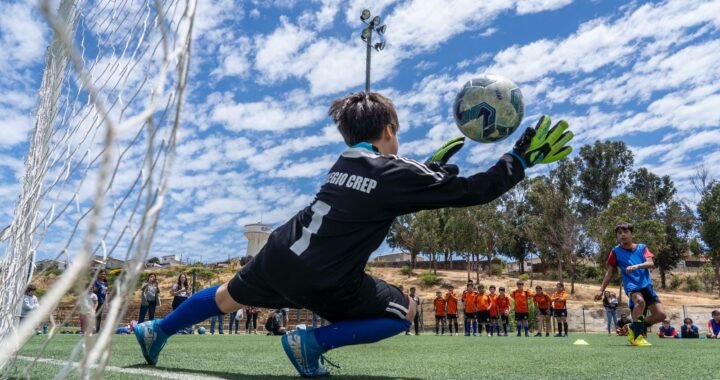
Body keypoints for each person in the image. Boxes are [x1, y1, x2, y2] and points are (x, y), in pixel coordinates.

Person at [133, 92, 573, 377]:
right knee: (403, 311)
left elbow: (385, 181)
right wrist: (518, 159)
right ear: (389, 131)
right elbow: (475, 190)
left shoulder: (345, 160)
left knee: (228, 295)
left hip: (281, 251)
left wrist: (430, 168)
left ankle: (158, 330)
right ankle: (311, 342)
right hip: (327, 275)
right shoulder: (396, 171)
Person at [595, 222, 667, 347]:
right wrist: (601, 290)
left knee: (661, 315)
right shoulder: (615, 252)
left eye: (625, 232)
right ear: (617, 236)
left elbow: (651, 263)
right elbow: (610, 272)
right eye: (619, 233)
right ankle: (636, 338)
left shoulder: (642, 247)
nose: (623, 235)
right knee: (640, 302)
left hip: (647, 285)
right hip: (632, 286)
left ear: (631, 234)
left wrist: (637, 266)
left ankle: (633, 327)